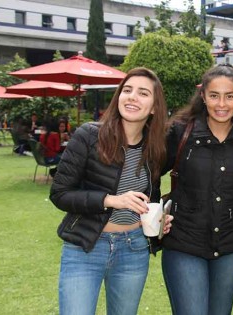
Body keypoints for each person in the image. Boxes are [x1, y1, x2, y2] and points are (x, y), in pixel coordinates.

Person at [49, 67, 173, 315]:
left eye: (143, 93)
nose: (132, 97)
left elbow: (151, 199)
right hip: (85, 247)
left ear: (155, 107)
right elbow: (60, 193)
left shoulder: (155, 149)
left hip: (134, 249)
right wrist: (111, 200)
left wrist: (159, 222)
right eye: (127, 90)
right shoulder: (88, 136)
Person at [161, 64, 233, 315]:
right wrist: (154, 212)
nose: (221, 104)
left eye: (229, 96)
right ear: (203, 96)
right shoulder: (180, 132)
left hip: (232, 246)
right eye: (214, 95)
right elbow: (149, 174)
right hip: (184, 242)